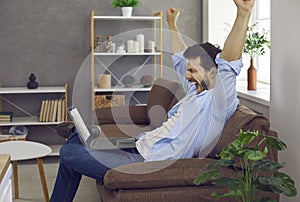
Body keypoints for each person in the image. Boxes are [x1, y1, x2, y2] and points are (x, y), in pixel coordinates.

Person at [50, 0, 255, 201]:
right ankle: (78, 134)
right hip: (139, 145)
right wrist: (172, 24)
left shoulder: (218, 103)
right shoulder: (196, 92)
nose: (187, 75)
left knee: (69, 152)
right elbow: (179, 60)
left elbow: (227, 64)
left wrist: (243, 14)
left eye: (193, 71)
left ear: (212, 72)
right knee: (76, 140)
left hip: (146, 162)